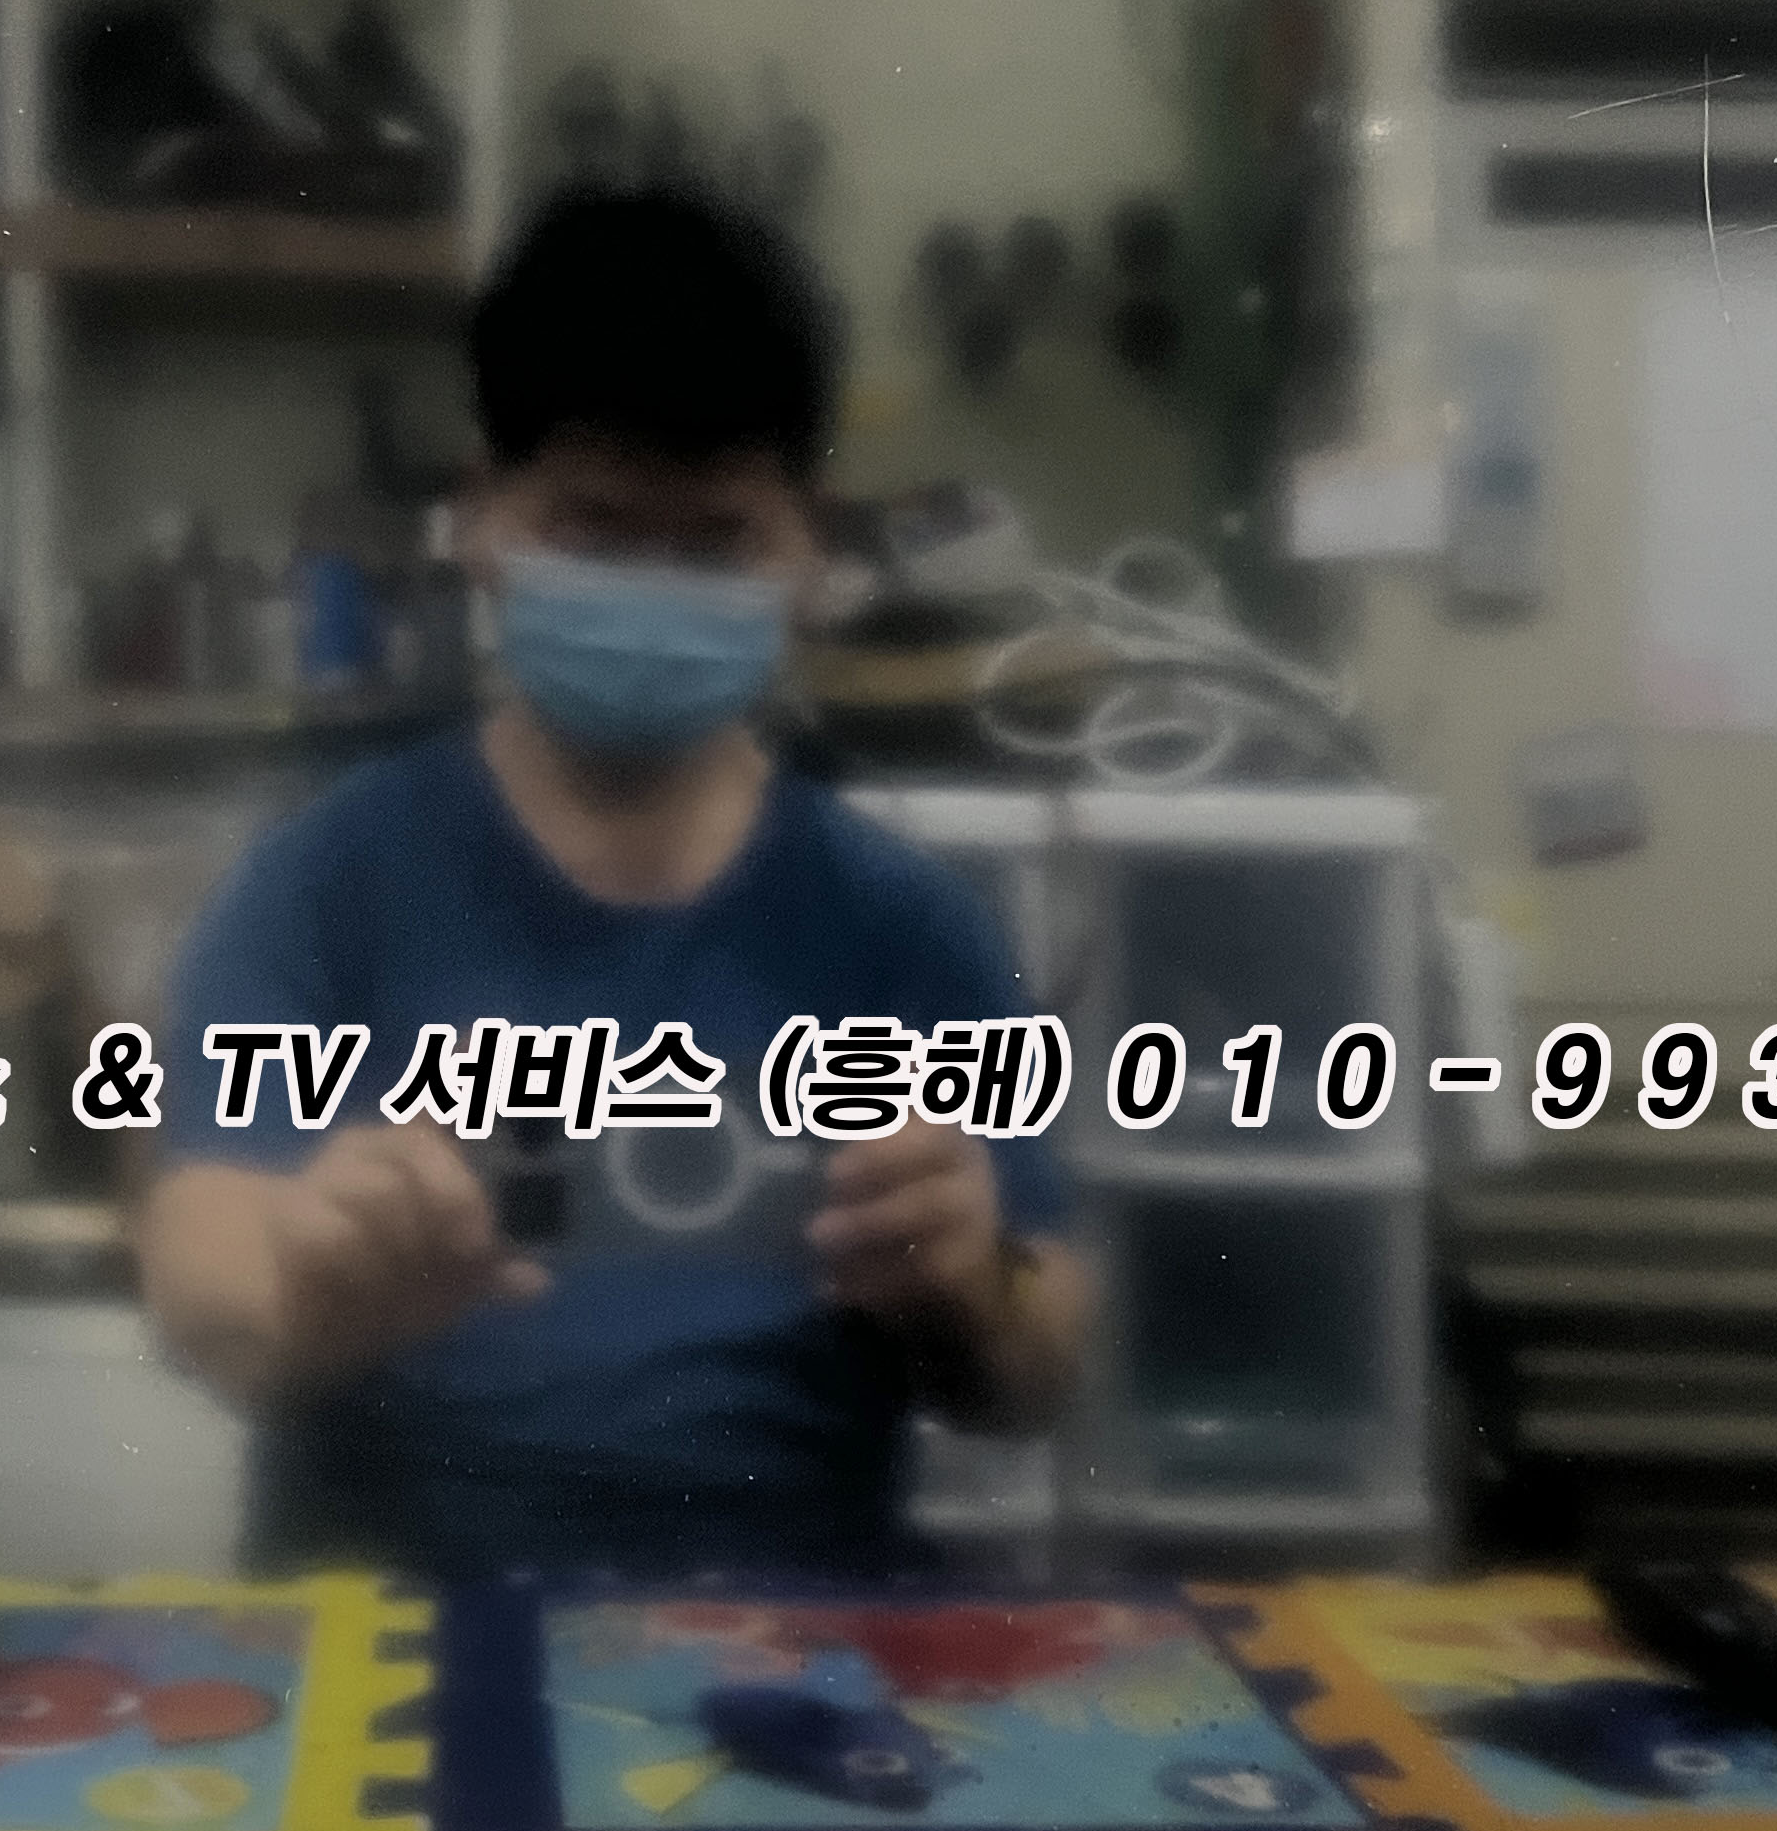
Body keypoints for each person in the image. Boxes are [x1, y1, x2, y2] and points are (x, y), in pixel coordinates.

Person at [138, 187, 1082, 1582]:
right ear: (481, 520)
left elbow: (1042, 1362)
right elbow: (196, 1267)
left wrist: (973, 1285)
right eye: (593, 529)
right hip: (399, 1624)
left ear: (807, 550)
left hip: (797, 1625)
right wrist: (309, 1281)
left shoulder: (903, 925)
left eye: (716, 542)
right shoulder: (328, 883)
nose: (653, 585)